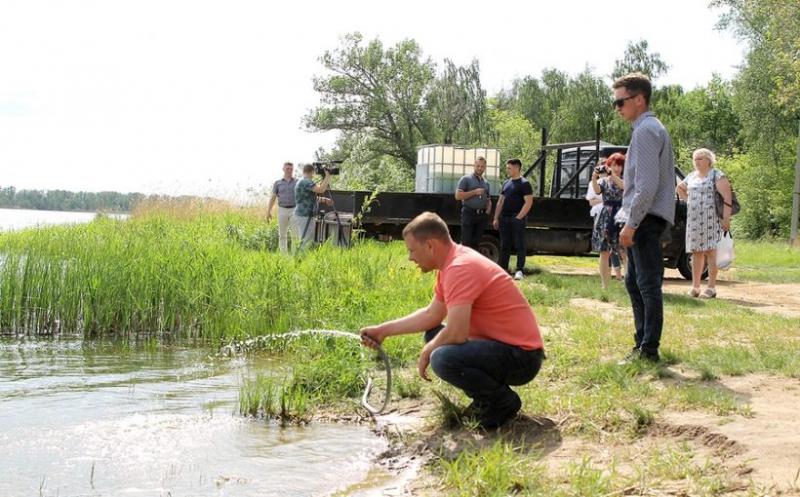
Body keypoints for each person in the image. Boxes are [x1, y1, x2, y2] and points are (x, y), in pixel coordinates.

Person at [360, 212, 545, 429]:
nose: (410, 258)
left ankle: (501, 402)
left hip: (522, 357)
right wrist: (383, 330)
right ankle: (485, 399)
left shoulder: (460, 268)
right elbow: (432, 315)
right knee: (433, 334)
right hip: (505, 349)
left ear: (430, 245)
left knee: (442, 357)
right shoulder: (451, 264)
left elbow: (457, 332)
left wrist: (428, 350)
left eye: (411, 250)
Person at [613, 72, 676, 364]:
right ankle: (642, 344)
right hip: (645, 217)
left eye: (621, 102)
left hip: (646, 218)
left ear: (639, 99)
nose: (617, 108)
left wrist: (632, 223)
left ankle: (649, 349)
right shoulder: (646, 129)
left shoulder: (646, 131)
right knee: (634, 282)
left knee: (647, 284)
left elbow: (647, 185)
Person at [675, 148, 733, 298]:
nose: (697, 161)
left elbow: (727, 198)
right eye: (695, 159)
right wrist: (689, 201)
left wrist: (726, 219)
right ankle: (695, 287)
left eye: (700, 158)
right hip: (694, 220)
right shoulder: (691, 176)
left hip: (711, 219)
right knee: (696, 252)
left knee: (710, 252)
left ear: (709, 160)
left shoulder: (717, 175)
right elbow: (680, 188)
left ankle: (711, 288)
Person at [590, 153, 627, 289]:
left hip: (621, 216)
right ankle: (604, 286)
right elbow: (597, 190)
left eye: (619, 165)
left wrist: (612, 175)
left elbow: (623, 186)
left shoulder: (625, 179)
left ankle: (629, 284)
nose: (616, 168)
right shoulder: (604, 181)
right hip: (605, 216)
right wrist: (594, 178)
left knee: (624, 251)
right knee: (603, 251)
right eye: (613, 165)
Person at [492, 159, 533, 280]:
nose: (507, 170)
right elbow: (500, 201)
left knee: (520, 244)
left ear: (516, 168)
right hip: (504, 218)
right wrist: (495, 218)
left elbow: (529, 202)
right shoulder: (506, 183)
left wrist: (519, 217)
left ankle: (519, 270)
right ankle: (504, 269)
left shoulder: (525, 183)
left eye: (509, 168)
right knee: (505, 245)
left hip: (517, 219)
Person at [455, 156, 492, 251]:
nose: (480, 168)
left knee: (476, 242)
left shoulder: (486, 183)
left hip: (481, 215)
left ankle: (472, 265)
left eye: (482, 166)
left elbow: (488, 200)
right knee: (466, 242)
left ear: (485, 167)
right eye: (478, 166)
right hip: (469, 213)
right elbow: (458, 196)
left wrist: (487, 213)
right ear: (474, 166)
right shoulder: (466, 179)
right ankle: (463, 265)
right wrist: (474, 192)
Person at [293, 164, 333, 250]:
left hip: (303, 214)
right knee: (306, 240)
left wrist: (324, 200)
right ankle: (301, 260)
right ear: (312, 172)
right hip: (304, 215)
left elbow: (309, 198)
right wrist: (327, 176)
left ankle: (302, 258)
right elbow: (321, 189)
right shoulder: (306, 182)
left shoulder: (301, 181)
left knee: (307, 239)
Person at [266, 162, 298, 253]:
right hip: (282, 210)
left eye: (291, 169)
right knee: (282, 234)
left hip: (294, 210)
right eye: (287, 169)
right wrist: (268, 211)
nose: (289, 171)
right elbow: (273, 197)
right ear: (283, 169)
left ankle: (294, 255)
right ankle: (284, 257)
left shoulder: (297, 182)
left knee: (295, 234)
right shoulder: (278, 183)